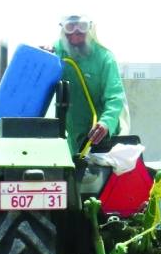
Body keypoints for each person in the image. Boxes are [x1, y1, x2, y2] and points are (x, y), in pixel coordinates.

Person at [53, 14, 129, 154]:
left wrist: (106, 123)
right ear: (63, 30)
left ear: (90, 28)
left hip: (102, 138)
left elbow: (115, 97)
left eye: (81, 26)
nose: (76, 32)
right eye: (70, 27)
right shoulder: (56, 53)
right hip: (74, 137)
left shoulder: (105, 58)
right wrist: (42, 55)